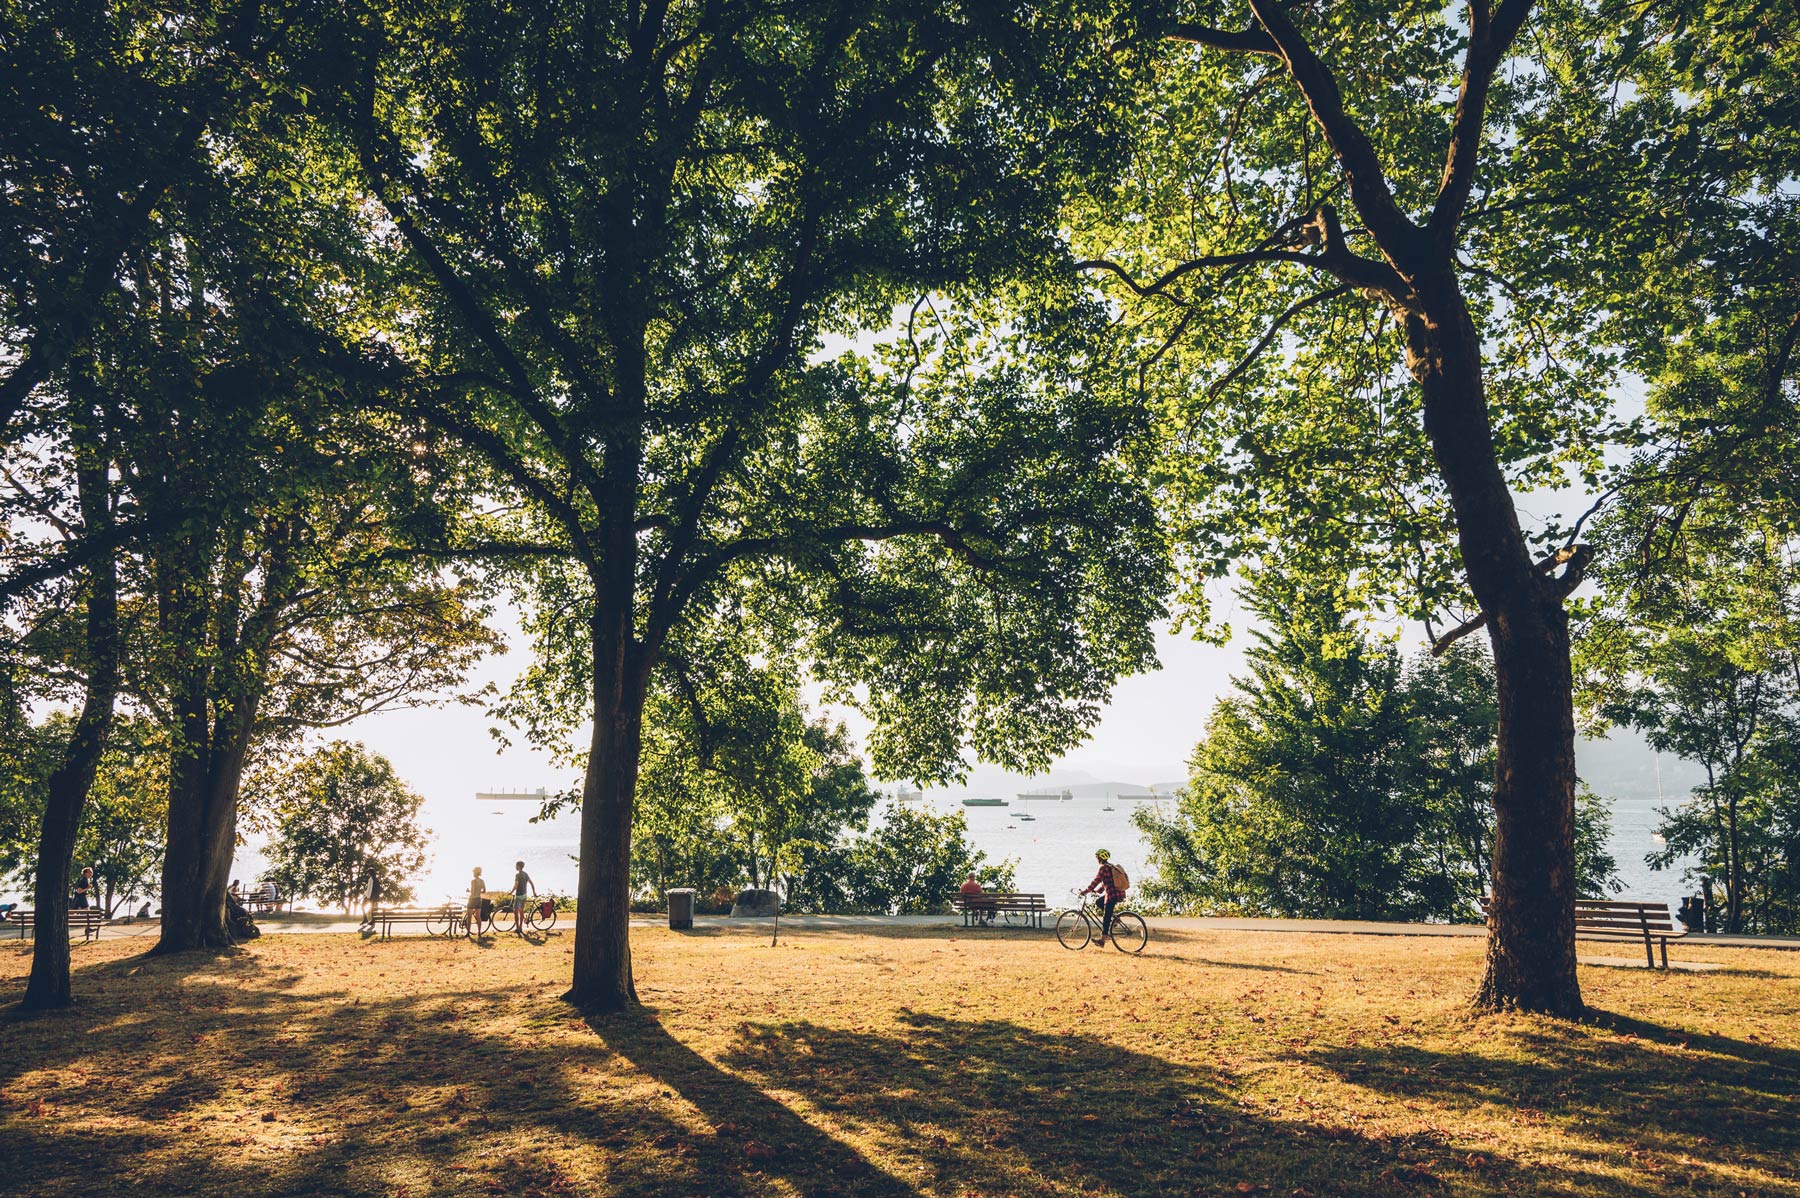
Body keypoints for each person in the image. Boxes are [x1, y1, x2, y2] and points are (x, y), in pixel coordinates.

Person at [1081, 849, 1128, 947]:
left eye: (1097, 857)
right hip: (1118, 893)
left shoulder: (1103, 868)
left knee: (1106, 917)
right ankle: (1115, 920)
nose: (1096, 859)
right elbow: (1107, 882)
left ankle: (1103, 940)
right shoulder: (1110, 866)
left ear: (1100, 857)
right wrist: (1098, 891)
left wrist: (1085, 891)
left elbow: (1096, 881)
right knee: (1099, 902)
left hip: (1112, 895)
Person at [511, 861, 535, 933]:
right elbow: (531, 883)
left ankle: (517, 928)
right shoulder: (525, 874)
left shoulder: (518, 875)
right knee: (521, 911)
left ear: (518, 866)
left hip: (518, 895)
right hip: (524, 895)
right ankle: (520, 928)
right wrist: (534, 892)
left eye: (516, 865)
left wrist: (511, 892)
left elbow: (516, 885)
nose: (515, 867)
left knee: (515, 912)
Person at [466, 866, 486, 934]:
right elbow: (484, 891)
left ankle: (468, 933)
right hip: (478, 899)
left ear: (475, 873)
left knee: (469, 918)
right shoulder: (482, 881)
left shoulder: (473, 881)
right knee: (478, 917)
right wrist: (478, 892)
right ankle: (479, 932)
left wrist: (468, 891)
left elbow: (472, 891)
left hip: (472, 899)